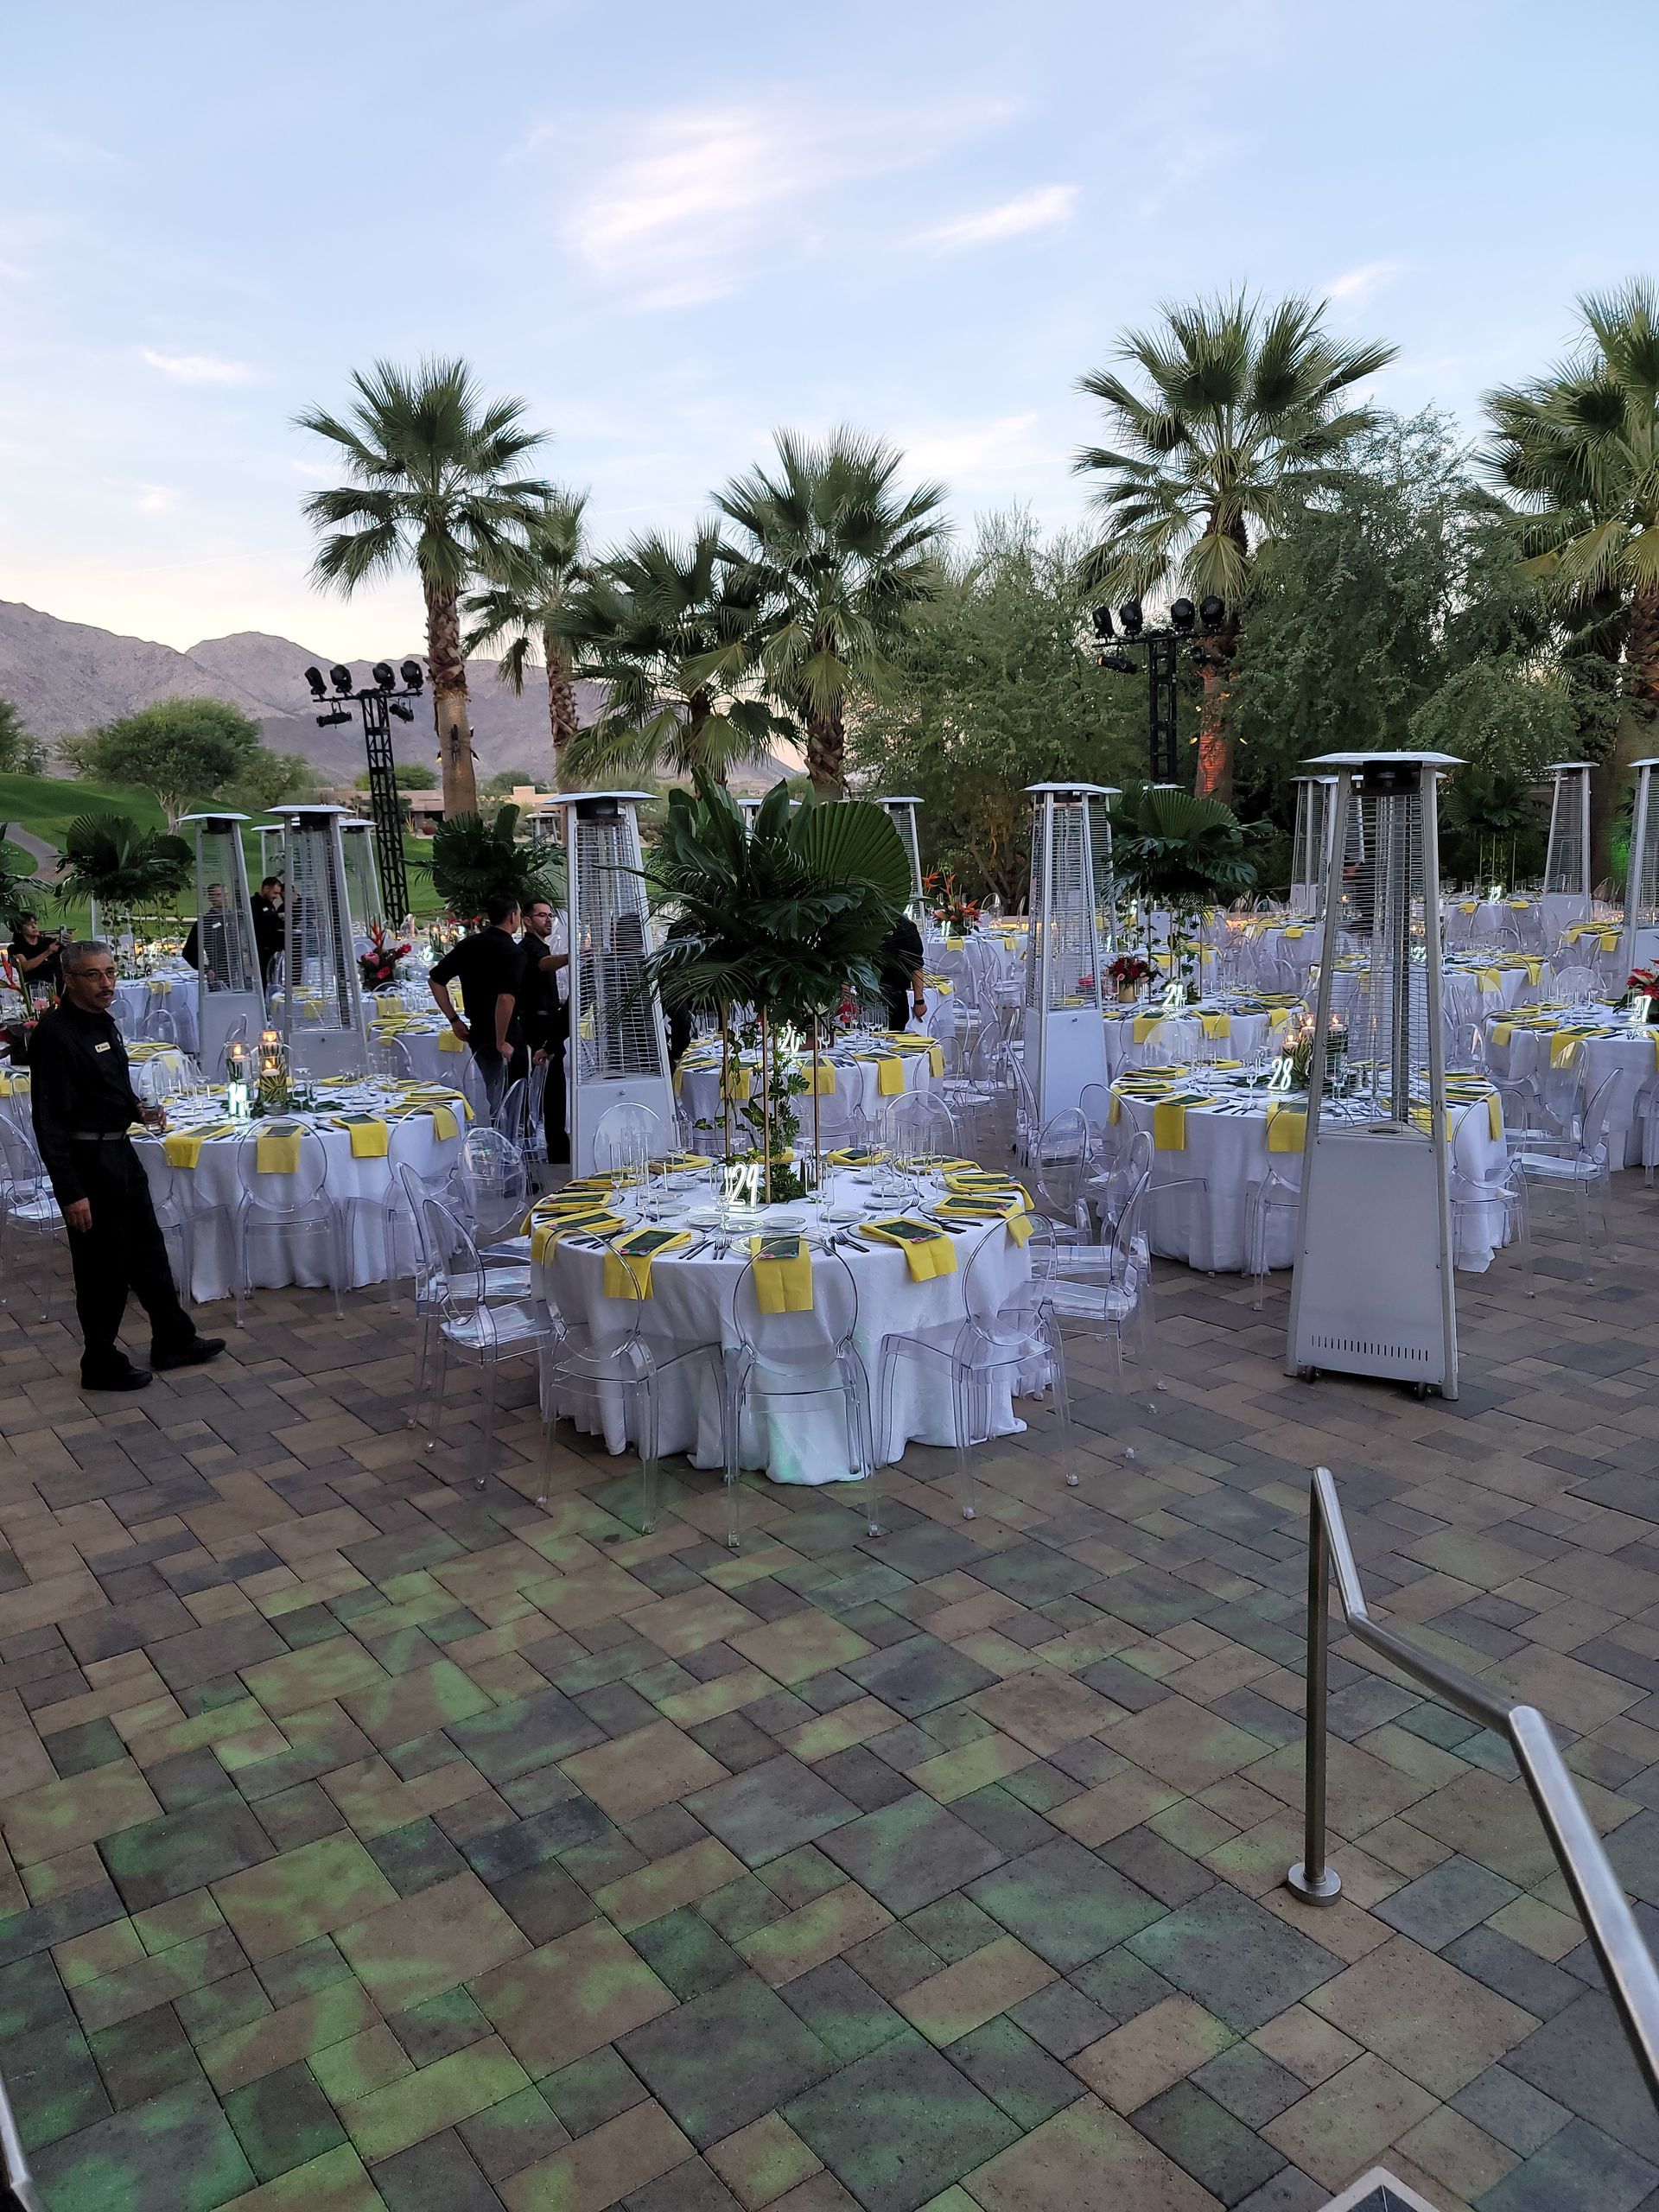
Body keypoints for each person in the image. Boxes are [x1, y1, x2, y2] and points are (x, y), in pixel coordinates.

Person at [29, 940, 224, 1392]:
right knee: (102, 1268)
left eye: (111, 973)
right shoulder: (56, 1035)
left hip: (120, 1152)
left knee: (148, 1251)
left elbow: (108, 1087)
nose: (106, 983)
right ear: (70, 980)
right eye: (94, 975)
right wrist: (71, 1192)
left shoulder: (106, 1024)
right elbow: (50, 1121)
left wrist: (136, 1110)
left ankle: (173, 1338)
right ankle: (98, 1359)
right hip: (88, 1162)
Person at [428, 889, 524, 1116]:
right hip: (507, 1033)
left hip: (478, 1031)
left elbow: (436, 981)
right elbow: (506, 998)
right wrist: (501, 1040)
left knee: (495, 1095)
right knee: (516, 1100)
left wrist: (454, 1019)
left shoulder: (469, 945)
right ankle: (514, 1144)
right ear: (513, 916)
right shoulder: (513, 952)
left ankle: (500, 1138)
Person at [518, 895, 569, 1163]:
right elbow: (542, 965)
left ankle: (558, 1143)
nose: (548, 919)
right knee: (552, 1089)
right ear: (526, 921)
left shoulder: (540, 945)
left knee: (555, 1086)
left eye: (550, 915)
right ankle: (557, 1147)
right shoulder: (530, 946)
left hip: (546, 1018)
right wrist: (571, 957)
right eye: (541, 915)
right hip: (539, 1023)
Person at [182, 883, 238, 989]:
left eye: (225, 894)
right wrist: (206, 969)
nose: (223, 898)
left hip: (238, 974)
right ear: (211, 898)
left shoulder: (235, 919)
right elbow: (188, 952)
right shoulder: (204, 923)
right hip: (219, 974)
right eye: (218, 895)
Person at [878, 912, 927, 1033]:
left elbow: (916, 966)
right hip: (865, 998)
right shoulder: (860, 922)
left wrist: (919, 1001)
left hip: (895, 996)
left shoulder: (904, 925)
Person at [8, 916, 63, 998]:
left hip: (58, 987)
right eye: (29, 924)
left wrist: (66, 942)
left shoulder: (48, 942)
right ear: (19, 929)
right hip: (35, 989)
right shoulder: (15, 948)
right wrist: (48, 952)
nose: (34, 926)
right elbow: (25, 966)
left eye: (35, 923)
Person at [251, 877, 284, 981]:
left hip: (274, 950)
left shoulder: (269, 904)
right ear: (266, 888)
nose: (276, 897)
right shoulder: (253, 903)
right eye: (275, 893)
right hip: (262, 950)